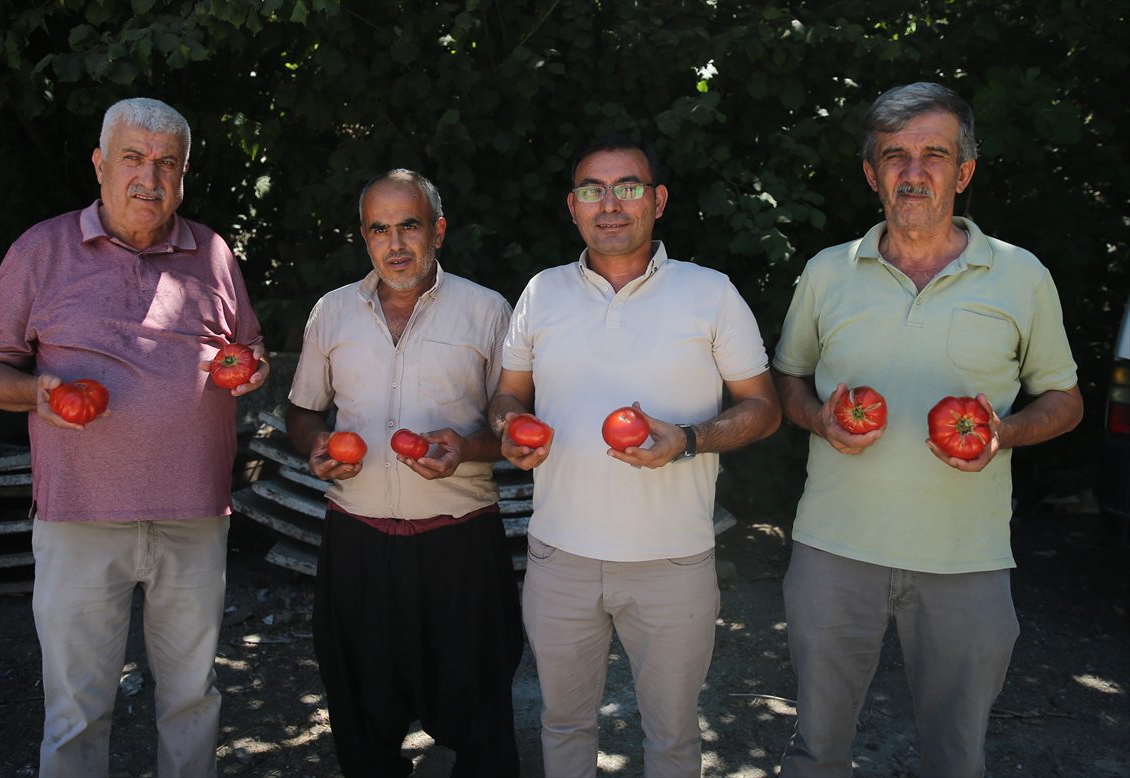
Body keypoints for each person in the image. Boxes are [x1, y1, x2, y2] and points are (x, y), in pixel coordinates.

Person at [773, 82, 1083, 777]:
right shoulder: (827, 274)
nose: (913, 173)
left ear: (964, 172)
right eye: (894, 156)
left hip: (966, 560)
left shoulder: (1020, 276)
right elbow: (786, 380)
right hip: (833, 552)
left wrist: (1003, 434)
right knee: (817, 751)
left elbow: (1064, 400)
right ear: (871, 173)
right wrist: (818, 418)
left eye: (934, 155)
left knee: (955, 757)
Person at [0, 97, 269, 777]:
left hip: (193, 518)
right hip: (80, 519)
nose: (148, 178)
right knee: (77, 708)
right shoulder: (40, 251)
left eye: (167, 163)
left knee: (193, 698)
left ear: (185, 174)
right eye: (132, 158)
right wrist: (32, 393)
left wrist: (249, 370)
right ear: (100, 164)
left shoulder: (212, 254)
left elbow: (246, 350)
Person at [487, 134, 782, 777]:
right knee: (562, 725)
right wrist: (510, 427)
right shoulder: (542, 293)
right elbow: (508, 396)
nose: (611, 204)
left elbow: (763, 408)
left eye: (628, 188)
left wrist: (689, 440)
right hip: (559, 556)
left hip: (672, 560)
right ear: (573, 206)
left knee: (672, 736)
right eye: (594, 189)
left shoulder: (711, 293)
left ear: (659, 200)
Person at [285, 169, 523, 777]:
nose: (395, 244)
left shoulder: (488, 311)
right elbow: (304, 409)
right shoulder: (331, 313)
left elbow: (520, 433)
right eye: (379, 229)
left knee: (479, 711)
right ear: (364, 238)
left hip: (460, 542)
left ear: (438, 230)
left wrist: (467, 450)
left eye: (409, 226)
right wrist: (315, 444)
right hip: (357, 543)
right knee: (361, 713)